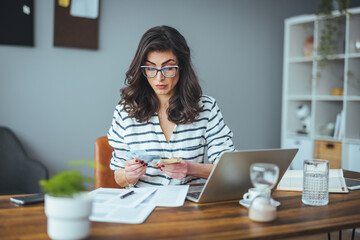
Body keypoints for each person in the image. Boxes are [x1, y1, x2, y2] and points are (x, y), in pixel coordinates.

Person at [107, 25, 235, 188]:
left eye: (168, 68)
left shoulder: (206, 108)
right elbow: (118, 176)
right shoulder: (125, 112)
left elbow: (230, 169)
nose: (159, 78)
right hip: (144, 205)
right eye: (151, 68)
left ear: (181, 66)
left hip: (189, 207)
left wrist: (190, 168)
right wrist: (129, 175)